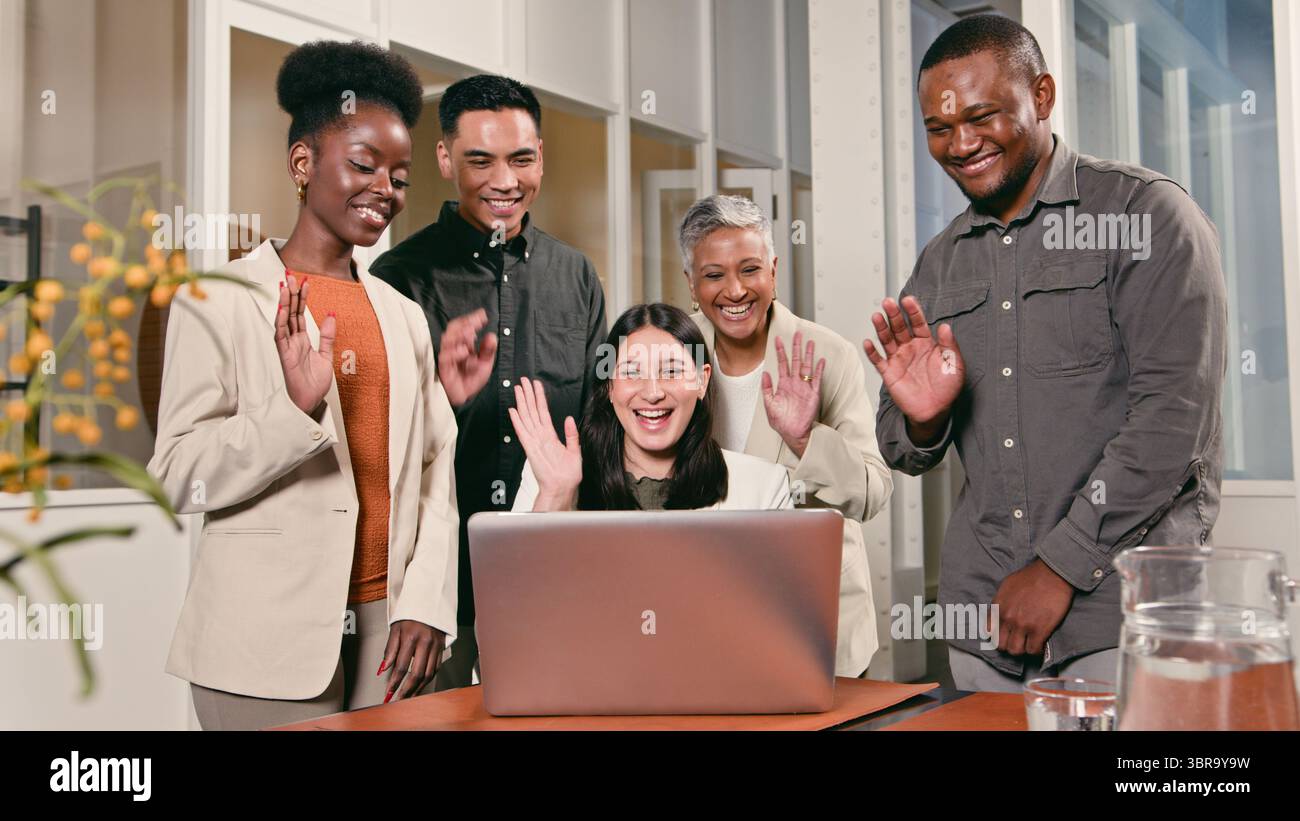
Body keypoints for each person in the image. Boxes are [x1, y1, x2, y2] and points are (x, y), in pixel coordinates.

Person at [867, 15, 1226, 692]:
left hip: (1123, 617)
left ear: (1042, 95)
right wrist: (922, 420)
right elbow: (898, 444)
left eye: (982, 116)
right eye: (939, 129)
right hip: (983, 624)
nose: (961, 144)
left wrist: (1062, 565)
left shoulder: (1145, 217)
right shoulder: (940, 262)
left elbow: (1174, 422)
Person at [148, 41, 459, 729]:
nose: (386, 189)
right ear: (302, 163)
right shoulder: (218, 298)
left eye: (401, 176)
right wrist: (289, 409)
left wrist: (426, 602)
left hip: (392, 637)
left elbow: (438, 467)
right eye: (363, 165)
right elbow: (175, 474)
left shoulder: (404, 315)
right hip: (263, 642)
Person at [369, 74, 607, 686]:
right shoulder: (397, 277)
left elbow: (599, 423)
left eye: (521, 159)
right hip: (434, 589)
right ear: (445, 159)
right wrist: (443, 397)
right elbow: (373, 446)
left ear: (540, 157)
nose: (506, 182)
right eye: (481, 160)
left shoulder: (576, 276)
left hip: (551, 572)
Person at [678, 194, 891, 678]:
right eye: (714, 275)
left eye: (750, 269)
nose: (735, 291)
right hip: (707, 620)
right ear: (691, 284)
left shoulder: (825, 354)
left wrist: (804, 439)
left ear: (773, 270)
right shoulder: (674, 357)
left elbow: (873, 493)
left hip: (813, 619)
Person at [509, 303, 792, 516]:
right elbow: (515, 593)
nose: (653, 393)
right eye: (632, 372)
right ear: (609, 386)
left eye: (671, 370)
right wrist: (557, 496)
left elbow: (786, 593)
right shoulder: (547, 477)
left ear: (701, 381)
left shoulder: (764, 488)